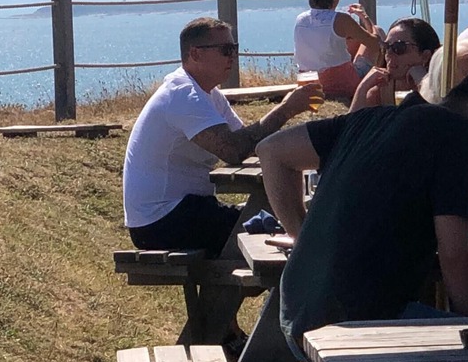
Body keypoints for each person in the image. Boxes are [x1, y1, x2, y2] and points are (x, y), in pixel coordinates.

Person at [257, 63, 468, 359]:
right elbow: (457, 255)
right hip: (362, 328)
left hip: (296, 319)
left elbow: (273, 151)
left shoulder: (368, 120)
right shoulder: (456, 134)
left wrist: (304, 237)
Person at [123, 17, 321, 256]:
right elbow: (233, 150)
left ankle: (283, 284)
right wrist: (286, 109)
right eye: (226, 50)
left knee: (274, 225)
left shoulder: (210, 95)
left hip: (184, 211)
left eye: (234, 49)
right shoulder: (183, 94)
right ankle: (288, 286)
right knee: (268, 234)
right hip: (162, 221)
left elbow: (248, 142)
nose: (233, 56)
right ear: (195, 54)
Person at [293, 0, 381, 100]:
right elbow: (375, 44)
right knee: (378, 30)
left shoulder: (300, 19)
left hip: (308, 83)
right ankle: (379, 86)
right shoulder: (341, 19)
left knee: (352, 41)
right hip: (342, 85)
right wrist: (364, 16)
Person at [349, 17, 440, 112]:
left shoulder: (443, 86)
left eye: (399, 47)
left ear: (425, 56)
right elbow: (352, 125)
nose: (389, 54)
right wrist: (362, 88)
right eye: (386, 47)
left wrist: (422, 81)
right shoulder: (381, 91)